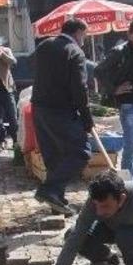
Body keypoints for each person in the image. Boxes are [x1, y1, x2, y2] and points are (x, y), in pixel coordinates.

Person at [31, 20, 94, 216]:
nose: (84, 40)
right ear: (77, 33)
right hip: (61, 110)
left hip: (39, 107)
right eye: (84, 35)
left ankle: (56, 201)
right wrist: (87, 118)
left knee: (54, 157)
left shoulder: (44, 45)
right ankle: (49, 190)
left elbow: (32, 65)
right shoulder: (74, 52)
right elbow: (80, 88)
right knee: (81, 152)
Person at [96, 21, 133, 181]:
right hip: (128, 105)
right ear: (129, 34)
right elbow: (99, 70)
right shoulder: (119, 51)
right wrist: (114, 89)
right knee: (130, 147)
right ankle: (125, 183)